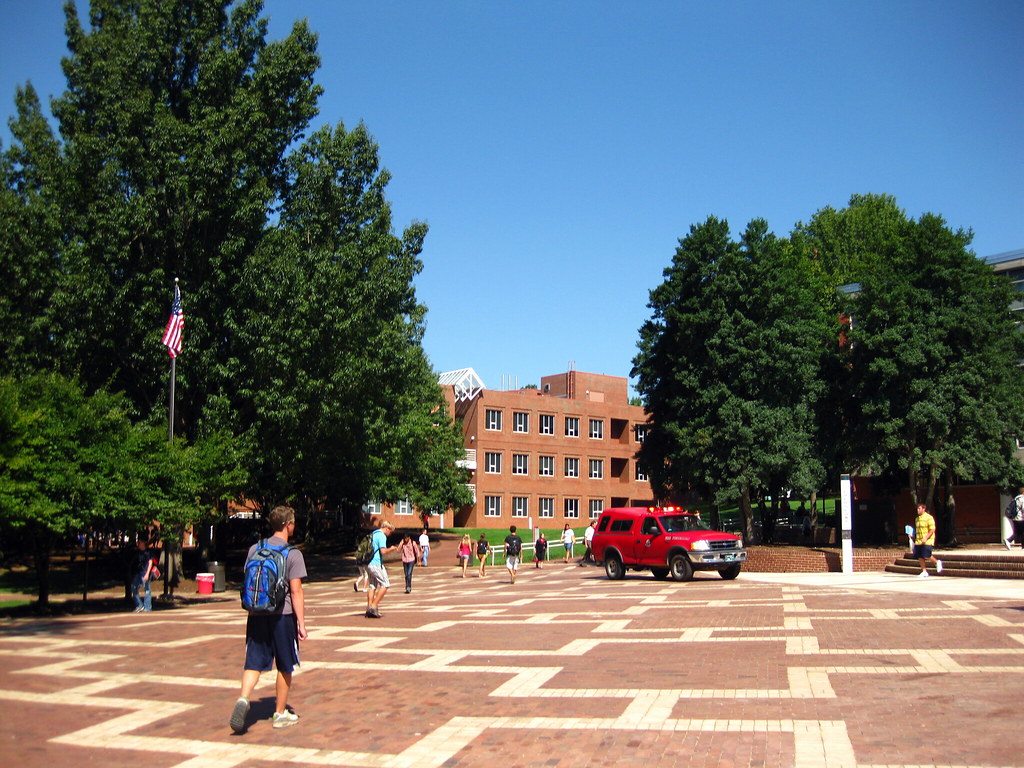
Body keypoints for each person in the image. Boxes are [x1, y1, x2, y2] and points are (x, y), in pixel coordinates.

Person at [230, 505, 307, 732]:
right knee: (285, 664)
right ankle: (280, 713)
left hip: (256, 613)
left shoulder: (255, 548)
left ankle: (244, 698)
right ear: (288, 525)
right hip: (282, 615)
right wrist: (302, 624)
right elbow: (296, 592)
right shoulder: (293, 553)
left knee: (253, 662)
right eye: (293, 522)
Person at [366, 520, 399, 617]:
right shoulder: (381, 536)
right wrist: (391, 549)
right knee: (385, 584)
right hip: (376, 563)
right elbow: (383, 551)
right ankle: (373, 606)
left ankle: (369, 608)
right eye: (390, 532)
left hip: (368, 562)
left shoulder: (373, 534)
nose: (390, 534)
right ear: (387, 529)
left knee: (372, 585)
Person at [913, 503, 943, 578]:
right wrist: (912, 535)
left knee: (927, 555)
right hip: (918, 541)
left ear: (924, 509)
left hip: (927, 541)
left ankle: (937, 562)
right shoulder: (917, 519)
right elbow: (917, 530)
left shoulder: (929, 518)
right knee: (920, 556)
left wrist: (926, 537)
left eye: (919, 508)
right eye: (917, 509)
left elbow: (932, 529)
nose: (918, 510)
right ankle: (924, 571)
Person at [131, 538, 154, 612]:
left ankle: (147, 607)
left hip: (145, 572)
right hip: (138, 572)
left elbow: (150, 562)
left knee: (147, 590)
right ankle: (139, 605)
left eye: (140, 542)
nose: (138, 544)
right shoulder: (138, 552)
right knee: (134, 587)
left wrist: (147, 573)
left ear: (143, 543)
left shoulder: (148, 552)